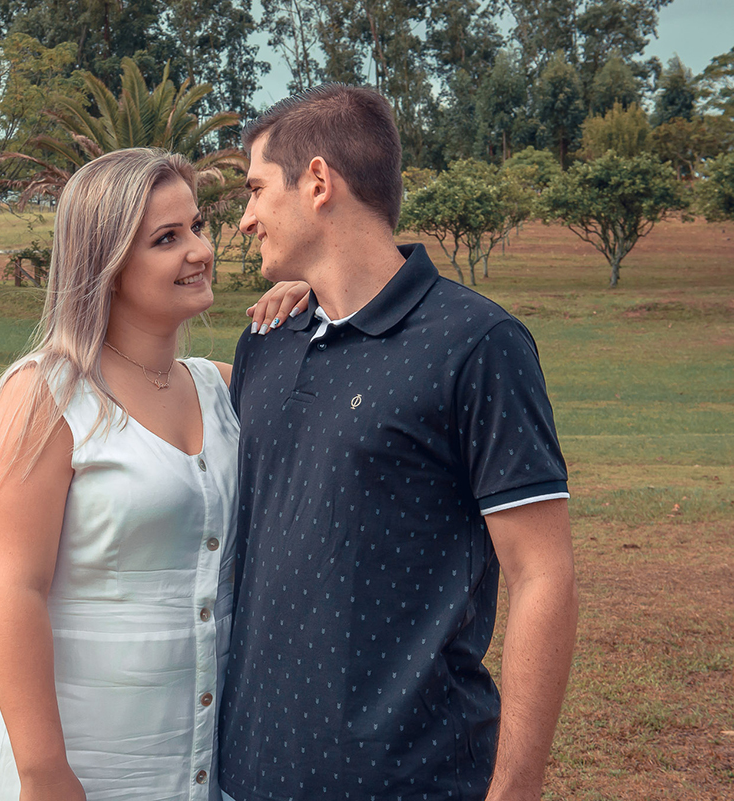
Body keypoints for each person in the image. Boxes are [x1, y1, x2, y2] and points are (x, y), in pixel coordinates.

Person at [218, 85, 580, 801]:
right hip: (246, 775)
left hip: (411, 779)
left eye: (256, 189)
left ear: (318, 182)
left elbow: (544, 574)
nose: (244, 217)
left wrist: (515, 787)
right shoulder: (265, 340)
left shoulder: (478, 343)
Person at [0, 148, 242, 801]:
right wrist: (43, 772)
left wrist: (303, 312)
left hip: (199, 752)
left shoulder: (225, 389)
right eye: (167, 238)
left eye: (198, 226)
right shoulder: (46, 394)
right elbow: (12, 588)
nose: (200, 250)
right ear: (109, 263)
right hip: (83, 757)